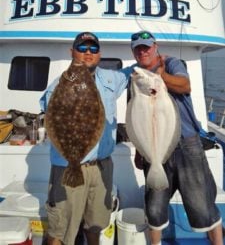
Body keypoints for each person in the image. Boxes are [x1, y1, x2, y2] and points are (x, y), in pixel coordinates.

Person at [130, 30, 223, 245]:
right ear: (134, 52)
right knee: (154, 206)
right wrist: (139, 150)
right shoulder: (135, 78)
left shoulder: (172, 64)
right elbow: (137, 118)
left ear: (155, 47)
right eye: (138, 48)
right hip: (154, 147)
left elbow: (185, 85)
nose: (143, 51)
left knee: (202, 205)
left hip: (187, 144)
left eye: (147, 47)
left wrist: (160, 76)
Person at [40, 32, 132, 245]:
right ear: (72, 52)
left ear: (99, 54)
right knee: (60, 230)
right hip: (68, 166)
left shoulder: (110, 79)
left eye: (93, 49)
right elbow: (50, 111)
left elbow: (131, 72)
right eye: (82, 48)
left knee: (96, 225)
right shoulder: (59, 84)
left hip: (101, 168)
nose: (87, 53)